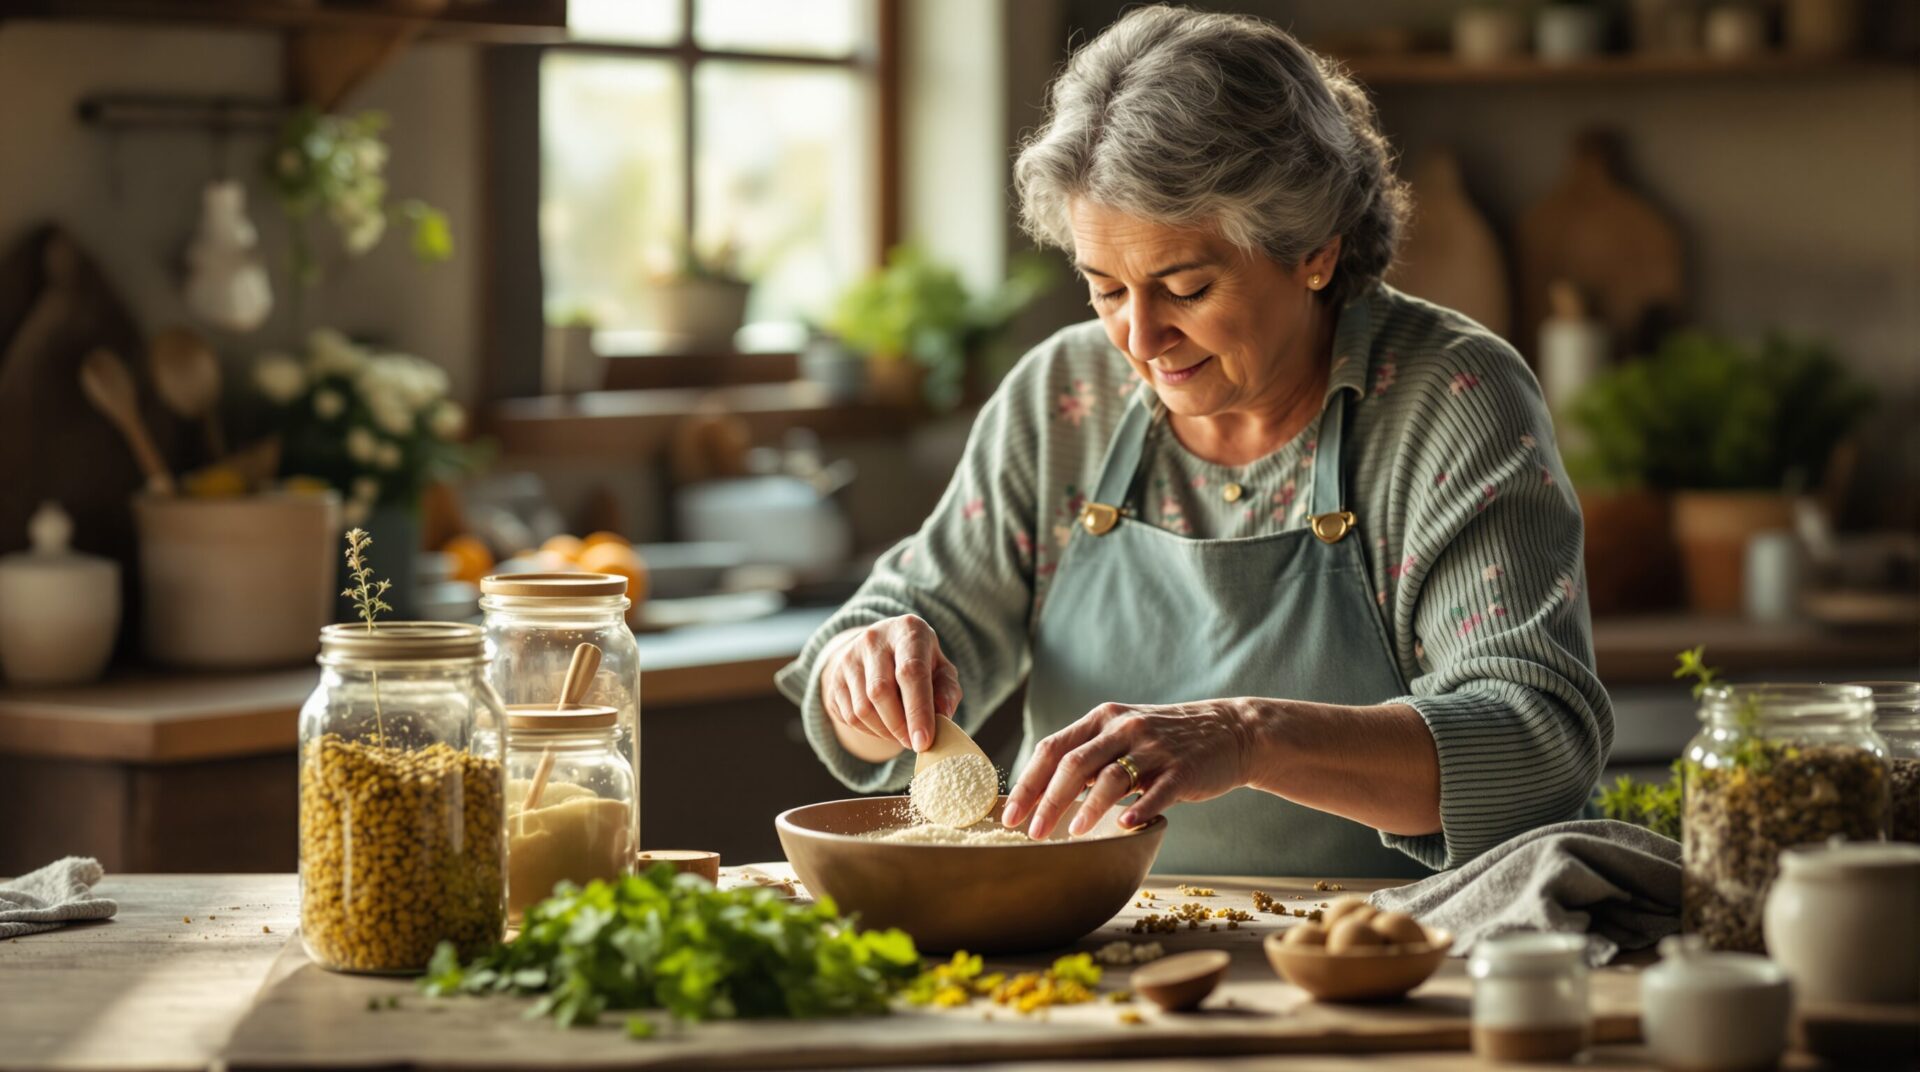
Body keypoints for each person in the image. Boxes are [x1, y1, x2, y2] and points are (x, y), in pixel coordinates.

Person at [774, 5, 1612, 877]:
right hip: (1094, 950)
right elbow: (900, 631)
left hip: (1389, 955)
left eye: (1185, 287)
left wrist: (1248, 738)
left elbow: (1536, 743)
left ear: (1314, 252)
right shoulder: (1065, 397)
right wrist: (862, 670)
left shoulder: (1452, 401)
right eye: (1104, 289)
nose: (1139, 338)